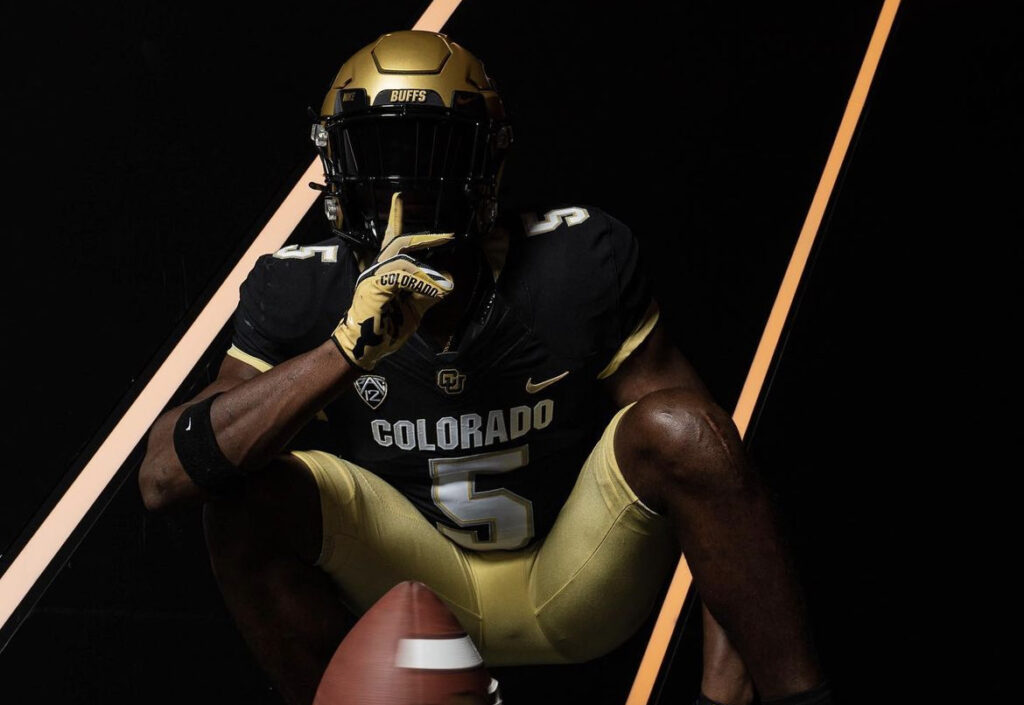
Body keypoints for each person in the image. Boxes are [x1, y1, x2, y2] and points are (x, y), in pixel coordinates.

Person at [139, 30, 831, 705]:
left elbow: (716, 475)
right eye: (377, 157)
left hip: (570, 582)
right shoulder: (304, 290)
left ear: (485, 168)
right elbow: (165, 475)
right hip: (401, 584)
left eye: (427, 157)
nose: (398, 191)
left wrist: (724, 690)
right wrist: (344, 351)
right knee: (243, 496)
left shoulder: (574, 263)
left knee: (683, 428)